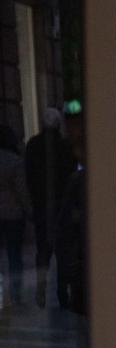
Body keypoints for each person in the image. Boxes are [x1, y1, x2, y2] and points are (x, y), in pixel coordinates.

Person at [25, 108, 76, 308]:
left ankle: (41, 291)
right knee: (63, 252)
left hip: (41, 206)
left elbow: (29, 176)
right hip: (62, 206)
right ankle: (62, 292)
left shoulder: (33, 146)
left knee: (43, 251)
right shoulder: (66, 147)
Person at [0, 125, 31, 306]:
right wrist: (29, 210)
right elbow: (22, 191)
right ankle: (16, 293)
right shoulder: (14, 161)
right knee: (14, 255)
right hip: (13, 214)